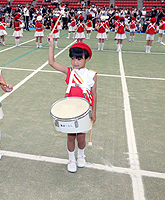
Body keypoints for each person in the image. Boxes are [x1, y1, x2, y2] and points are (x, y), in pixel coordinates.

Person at [47, 34, 97, 173]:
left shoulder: (91, 74)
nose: (75, 62)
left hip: (84, 110)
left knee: (81, 137)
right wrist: (52, 45)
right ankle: (71, 159)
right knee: (70, 136)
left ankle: (81, 155)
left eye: (79, 58)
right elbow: (51, 63)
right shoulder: (69, 71)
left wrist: (94, 112)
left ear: (87, 59)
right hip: (69, 109)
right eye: (73, 58)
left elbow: (94, 94)